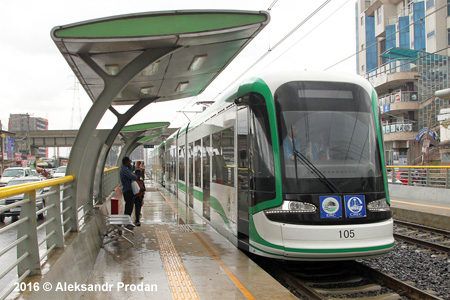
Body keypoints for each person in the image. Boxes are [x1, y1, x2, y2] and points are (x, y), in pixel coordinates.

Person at [120, 157, 137, 228]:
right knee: (129, 208)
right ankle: (127, 223)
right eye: (129, 162)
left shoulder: (125, 170)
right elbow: (134, 177)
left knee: (129, 207)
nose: (130, 163)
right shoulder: (125, 170)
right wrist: (134, 174)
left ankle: (127, 222)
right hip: (128, 191)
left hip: (127, 191)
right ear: (127, 162)